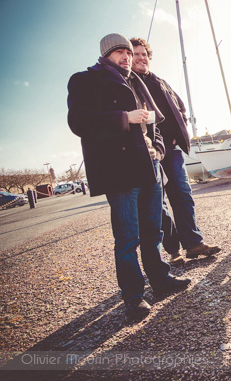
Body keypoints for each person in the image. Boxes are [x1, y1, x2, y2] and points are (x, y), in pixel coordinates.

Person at [67, 33, 191, 318]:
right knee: (127, 239)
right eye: (118, 52)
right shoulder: (85, 80)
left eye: (127, 51)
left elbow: (154, 121)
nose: (126, 56)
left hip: (149, 168)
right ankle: (134, 297)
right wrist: (125, 118)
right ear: (105, 55)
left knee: (153, 232)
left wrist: (158, 148)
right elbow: (78, 121)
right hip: (119, 171)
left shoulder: (136, 81)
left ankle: (160, 280)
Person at [130, 37, 220, 264]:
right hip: (147, 151)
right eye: (136, 54)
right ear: (129, 58)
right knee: (157, 203)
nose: (141, 58)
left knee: (182, 194)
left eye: (144, 55)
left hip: (171, 148)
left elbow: (180, 105)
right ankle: (173, 250)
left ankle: (193, 243)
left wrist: (182, 125)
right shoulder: (128, 83)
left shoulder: (160, 81)